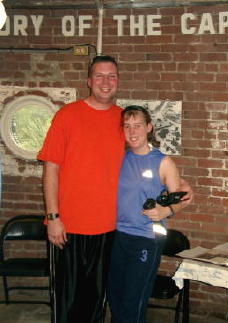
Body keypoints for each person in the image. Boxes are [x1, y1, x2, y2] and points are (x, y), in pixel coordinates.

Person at [38, 55, 192, 323]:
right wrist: (53, 217)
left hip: (110, 231)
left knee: (98, 301)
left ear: (118, 81)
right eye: (99, 76)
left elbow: (148, 158)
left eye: (111, 76)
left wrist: (178, 186)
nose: (105, 82)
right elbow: (51, 169)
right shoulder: (67, 115)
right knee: (67, 301)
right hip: (69, 227)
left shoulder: (121, 121)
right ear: (89, 81)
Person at [107, 105, 190, 323]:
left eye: (138, 126)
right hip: (118, 236)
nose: (132, 132)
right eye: (127, 126)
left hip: (146, 238)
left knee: (133, 301)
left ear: (149, 127)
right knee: (115, 296)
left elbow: (182, 198)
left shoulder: (162, 162)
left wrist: (166, 209)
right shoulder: (119, 158)